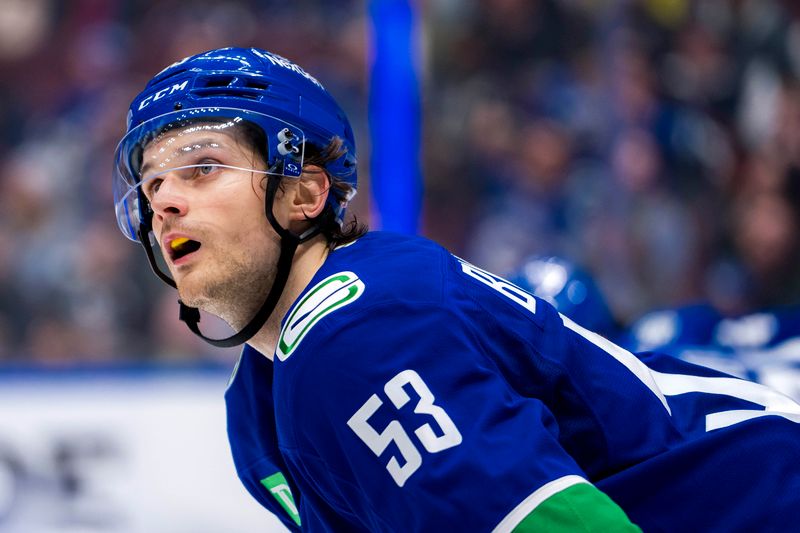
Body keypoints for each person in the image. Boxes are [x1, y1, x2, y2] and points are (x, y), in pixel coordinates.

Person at [113, 47, 800, 532]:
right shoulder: (255, 414)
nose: (164, 199)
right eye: (151, 183)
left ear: (304, 193)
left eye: (201, 166)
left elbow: (559, 525)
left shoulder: (357, 328)